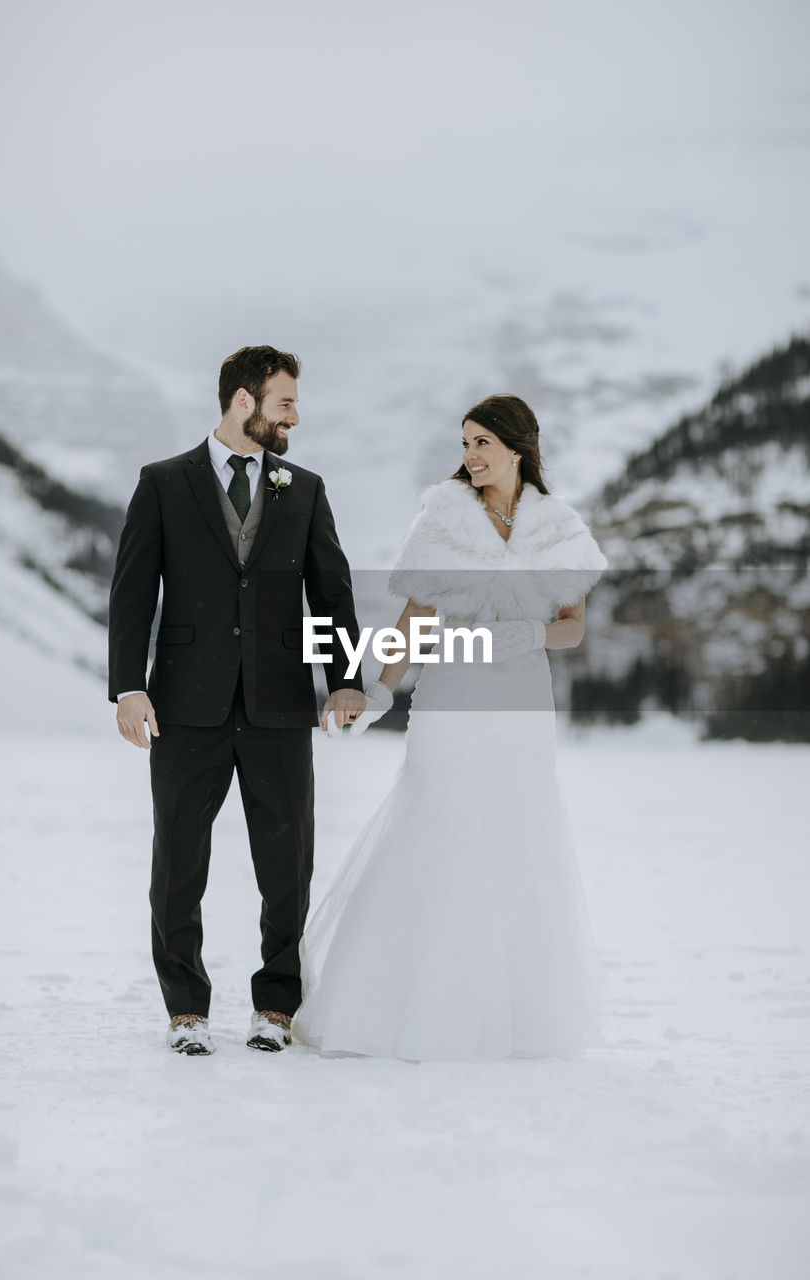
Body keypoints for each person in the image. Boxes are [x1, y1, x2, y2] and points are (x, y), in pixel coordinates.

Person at [293, 394, 608, 1061]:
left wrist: (528, 632)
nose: (467, 456)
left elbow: (573, 626)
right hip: (449, 698)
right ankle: (400, 1012)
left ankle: (510, 1017)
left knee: (514, 841)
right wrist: (378, 690)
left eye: (480, 443)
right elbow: (414, 620)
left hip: (521, 705)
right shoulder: (441, 520)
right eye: (463, 443)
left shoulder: (559, 529)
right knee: (433, 828)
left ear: (517, 448)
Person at [107, 345, 366, 1056]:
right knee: (178, 862)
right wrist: (129, 686)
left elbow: (332, 591)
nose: (295, 417)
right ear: (243, 401)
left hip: (280, 704)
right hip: (183, 704)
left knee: (287, 864)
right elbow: (132, 593)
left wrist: (344, 676)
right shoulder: (163, 483)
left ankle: (275, 1007)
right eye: (285, 402)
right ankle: (185, 1008)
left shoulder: (304, 488)